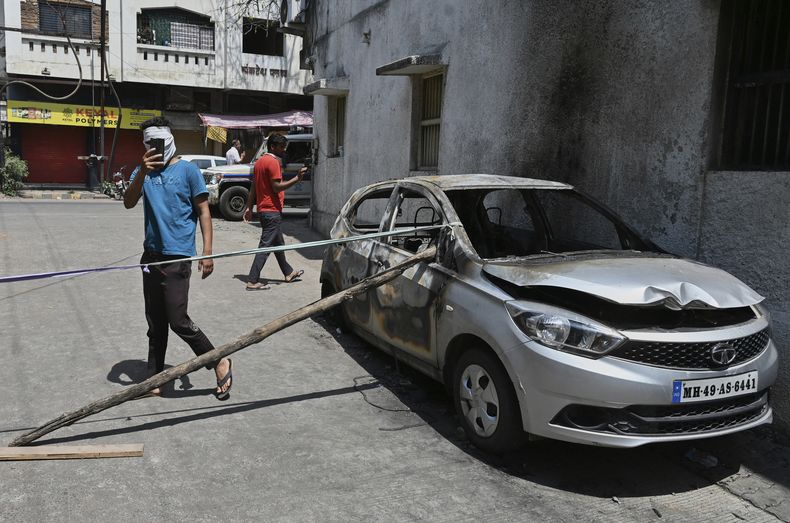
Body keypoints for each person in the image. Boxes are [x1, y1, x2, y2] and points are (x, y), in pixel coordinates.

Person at [124, 116, 233, 400]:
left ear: (169, 139)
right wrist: (142, 173)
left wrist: (207, 252)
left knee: (178, 319)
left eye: (158, 142)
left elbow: (204, 211)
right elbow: (128, 202)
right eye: (149, 144)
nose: (154, 148)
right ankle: (155, 379)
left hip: (178, 256)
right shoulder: (144, 172)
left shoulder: (188, 171)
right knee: (156, 323)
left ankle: (218, 360)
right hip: (151, 256)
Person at [243, 133, 306, 290]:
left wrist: (250, 208)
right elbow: (276, 187)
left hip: (265, 210)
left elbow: (253, 189)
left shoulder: (259, 163)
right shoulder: (273, 163)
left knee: (278, 244)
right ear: (272, 146)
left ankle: (288, 272)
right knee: (265, 247)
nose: (284, 150)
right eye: (281, 147)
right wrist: (296, 179)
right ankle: (252, 280)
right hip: (271, 211)